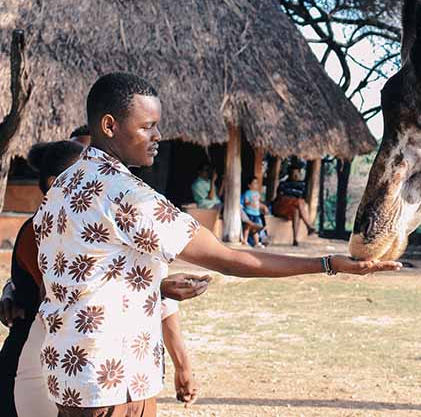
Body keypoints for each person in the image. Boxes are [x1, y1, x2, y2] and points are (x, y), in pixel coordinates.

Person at [33, 72, 400, 415]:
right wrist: (327, 264)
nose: (158, 136)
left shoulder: (64, 186)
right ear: (110, 126)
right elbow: (226, 259)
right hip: (115, 378)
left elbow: (89, 275)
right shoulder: (125, 194)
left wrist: (155, 285)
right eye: (147, 126)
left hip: (73, 370)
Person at [0, 140, 208, 417]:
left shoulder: (113, 222)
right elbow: (66, 295)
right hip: (40, 367)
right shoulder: (45, 230)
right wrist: (156, 287)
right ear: (55, 183)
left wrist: (182, 364)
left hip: (104, 371)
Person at [272, 161, 316, 246]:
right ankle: (309, 225)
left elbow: (302, 199)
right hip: (281, 207)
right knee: (299, 201)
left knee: (296, 211)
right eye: (294, 173)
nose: (296, 175)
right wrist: (292, 200)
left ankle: (295, 239)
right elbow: (279, 198)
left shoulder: (301, 185)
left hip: (291, 209)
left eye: (297, 173)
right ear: (289, 174)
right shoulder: (283, 184)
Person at [241, 177, 267, 248]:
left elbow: (259, 202)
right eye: (254, 183)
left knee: (255, 229)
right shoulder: (247, 193)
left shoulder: (257, 193)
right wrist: (251, 203)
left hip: (256, 213)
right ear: (249, 185)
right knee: (248, 227)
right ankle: (245, 240)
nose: (256, 185)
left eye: (257, 183)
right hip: (249, 212)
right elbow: (246, 202)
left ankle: (256, 242)